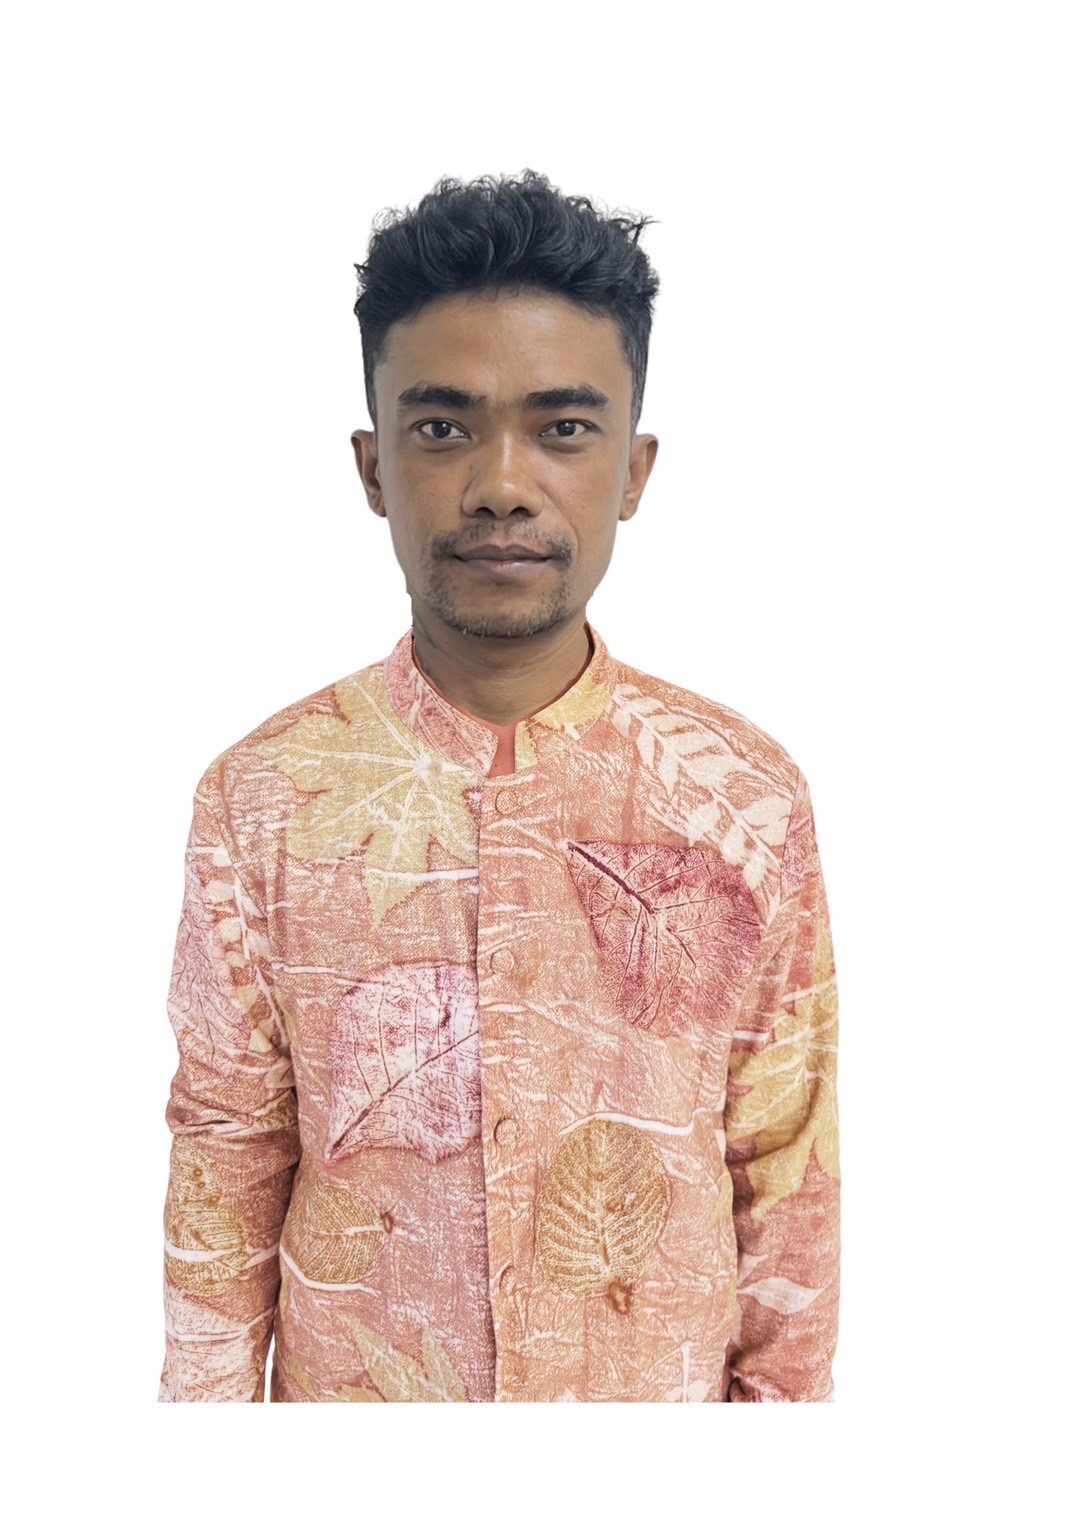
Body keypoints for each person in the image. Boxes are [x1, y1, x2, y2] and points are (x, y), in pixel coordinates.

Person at [159, 171, 840, 1403]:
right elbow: (227, 1158)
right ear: (372, 466)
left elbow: (782, 1168)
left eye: (562, 428)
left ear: (633, 471)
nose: (501, 484)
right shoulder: (258, 799)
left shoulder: (743, 795)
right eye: (442, 428)